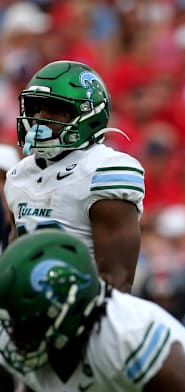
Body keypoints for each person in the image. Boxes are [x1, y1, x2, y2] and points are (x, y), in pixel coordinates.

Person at [0, 230, 185, 392]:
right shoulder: (25, 335)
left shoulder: (127, 334)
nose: (14, 337)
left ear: (70, 310)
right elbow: (36, 385)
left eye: (28, 324)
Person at [4, 60, 144, 292]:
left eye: (55, 110)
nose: (40, 118)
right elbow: (15, 264)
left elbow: (117, 283)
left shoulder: (104, 170)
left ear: (89, 113)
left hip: (85, 314)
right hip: (28, 313)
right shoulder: (19, 174)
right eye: (36, 108)